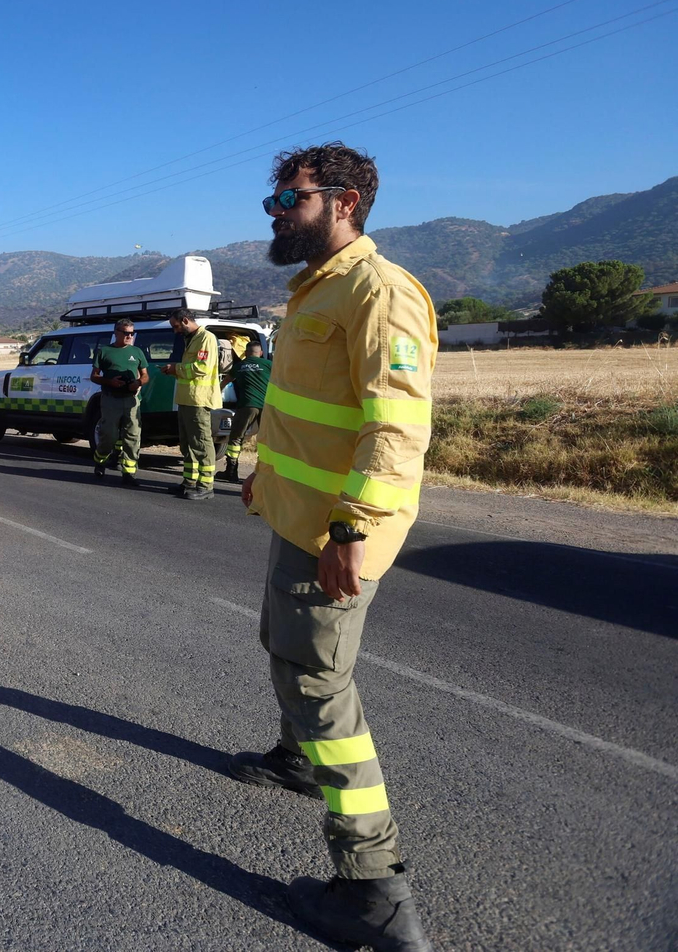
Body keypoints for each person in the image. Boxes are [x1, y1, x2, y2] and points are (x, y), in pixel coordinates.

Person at [231, 143, 436, 951]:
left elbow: (397, 425)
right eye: (275, 198)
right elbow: (306, 408)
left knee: (321, 684)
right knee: (284, 647)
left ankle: (374, 892)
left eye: (290, 196)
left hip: (335, 531)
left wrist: (352, 525)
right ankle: (295, 757)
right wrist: (261, 473)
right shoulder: (317, 289)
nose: (276, 210)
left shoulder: (379, 293)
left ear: (343, 202)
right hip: (297, 514)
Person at [161, 309, 219, 501]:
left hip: (198, 401)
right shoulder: (191, 339)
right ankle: (189, 482)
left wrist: (175, 368)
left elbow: (202, 368)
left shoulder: (206, 338)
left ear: (185, 320)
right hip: (186, 400)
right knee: (187, 445)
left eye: (176, 326)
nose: (175, 331)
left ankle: (206, 486)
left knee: (202, 443)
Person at [88, 318, 148, 486]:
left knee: (133, 436)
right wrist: (110, 382)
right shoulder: (104, 351)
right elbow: (94, 376)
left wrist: (138, 383)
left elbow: (145, 375)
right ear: (116, 333)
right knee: (109, 435)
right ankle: (100, 461)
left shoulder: (137, 352)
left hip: (132, 400)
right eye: (126, 333)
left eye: (131, 333)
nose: (129, 336)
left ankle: (129, 473)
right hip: (110, 399)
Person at [221, 341, 271, 482]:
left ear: (245, 353)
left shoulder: (239, 366)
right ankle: (264, 474)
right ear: (260, 353)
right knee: (266, 441)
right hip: (266, 407)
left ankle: (231, 471)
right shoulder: (268, 364)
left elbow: (224, 383)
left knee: (236, 438)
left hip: (247, 406)